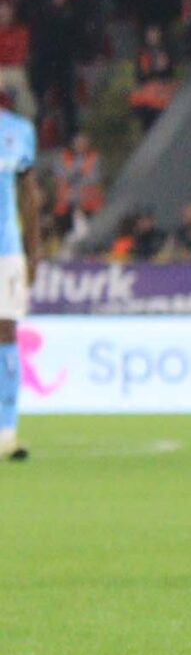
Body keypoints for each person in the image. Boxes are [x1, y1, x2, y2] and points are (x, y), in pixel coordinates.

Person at [0, 88, 39, 462]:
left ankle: (6, 433)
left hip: (6, 251)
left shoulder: (18, 130)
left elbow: (28, 193)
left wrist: (34, 248)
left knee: (6, 332)